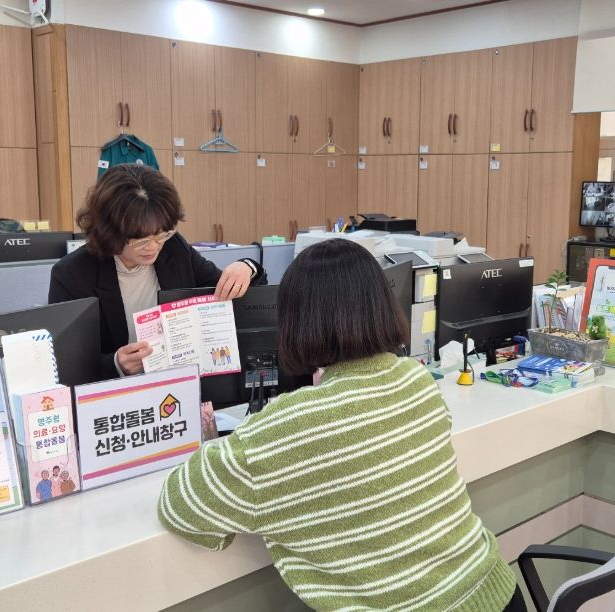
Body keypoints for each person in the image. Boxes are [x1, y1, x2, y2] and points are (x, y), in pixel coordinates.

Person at [158, 239, 524, 611]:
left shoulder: (287, 426)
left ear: (295, 321)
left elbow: (181, 504)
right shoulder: (416, 380)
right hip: (495, 593)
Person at [48, 164, 265, 379]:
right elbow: (65, 362)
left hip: (178, 382)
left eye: (161, 234)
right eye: (141, 240)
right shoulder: (72, 274)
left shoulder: (173, 248)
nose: (153, 247)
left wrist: (247, 267)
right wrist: (116, 364)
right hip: (115, 393)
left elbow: (230, 291)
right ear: (110, 232)